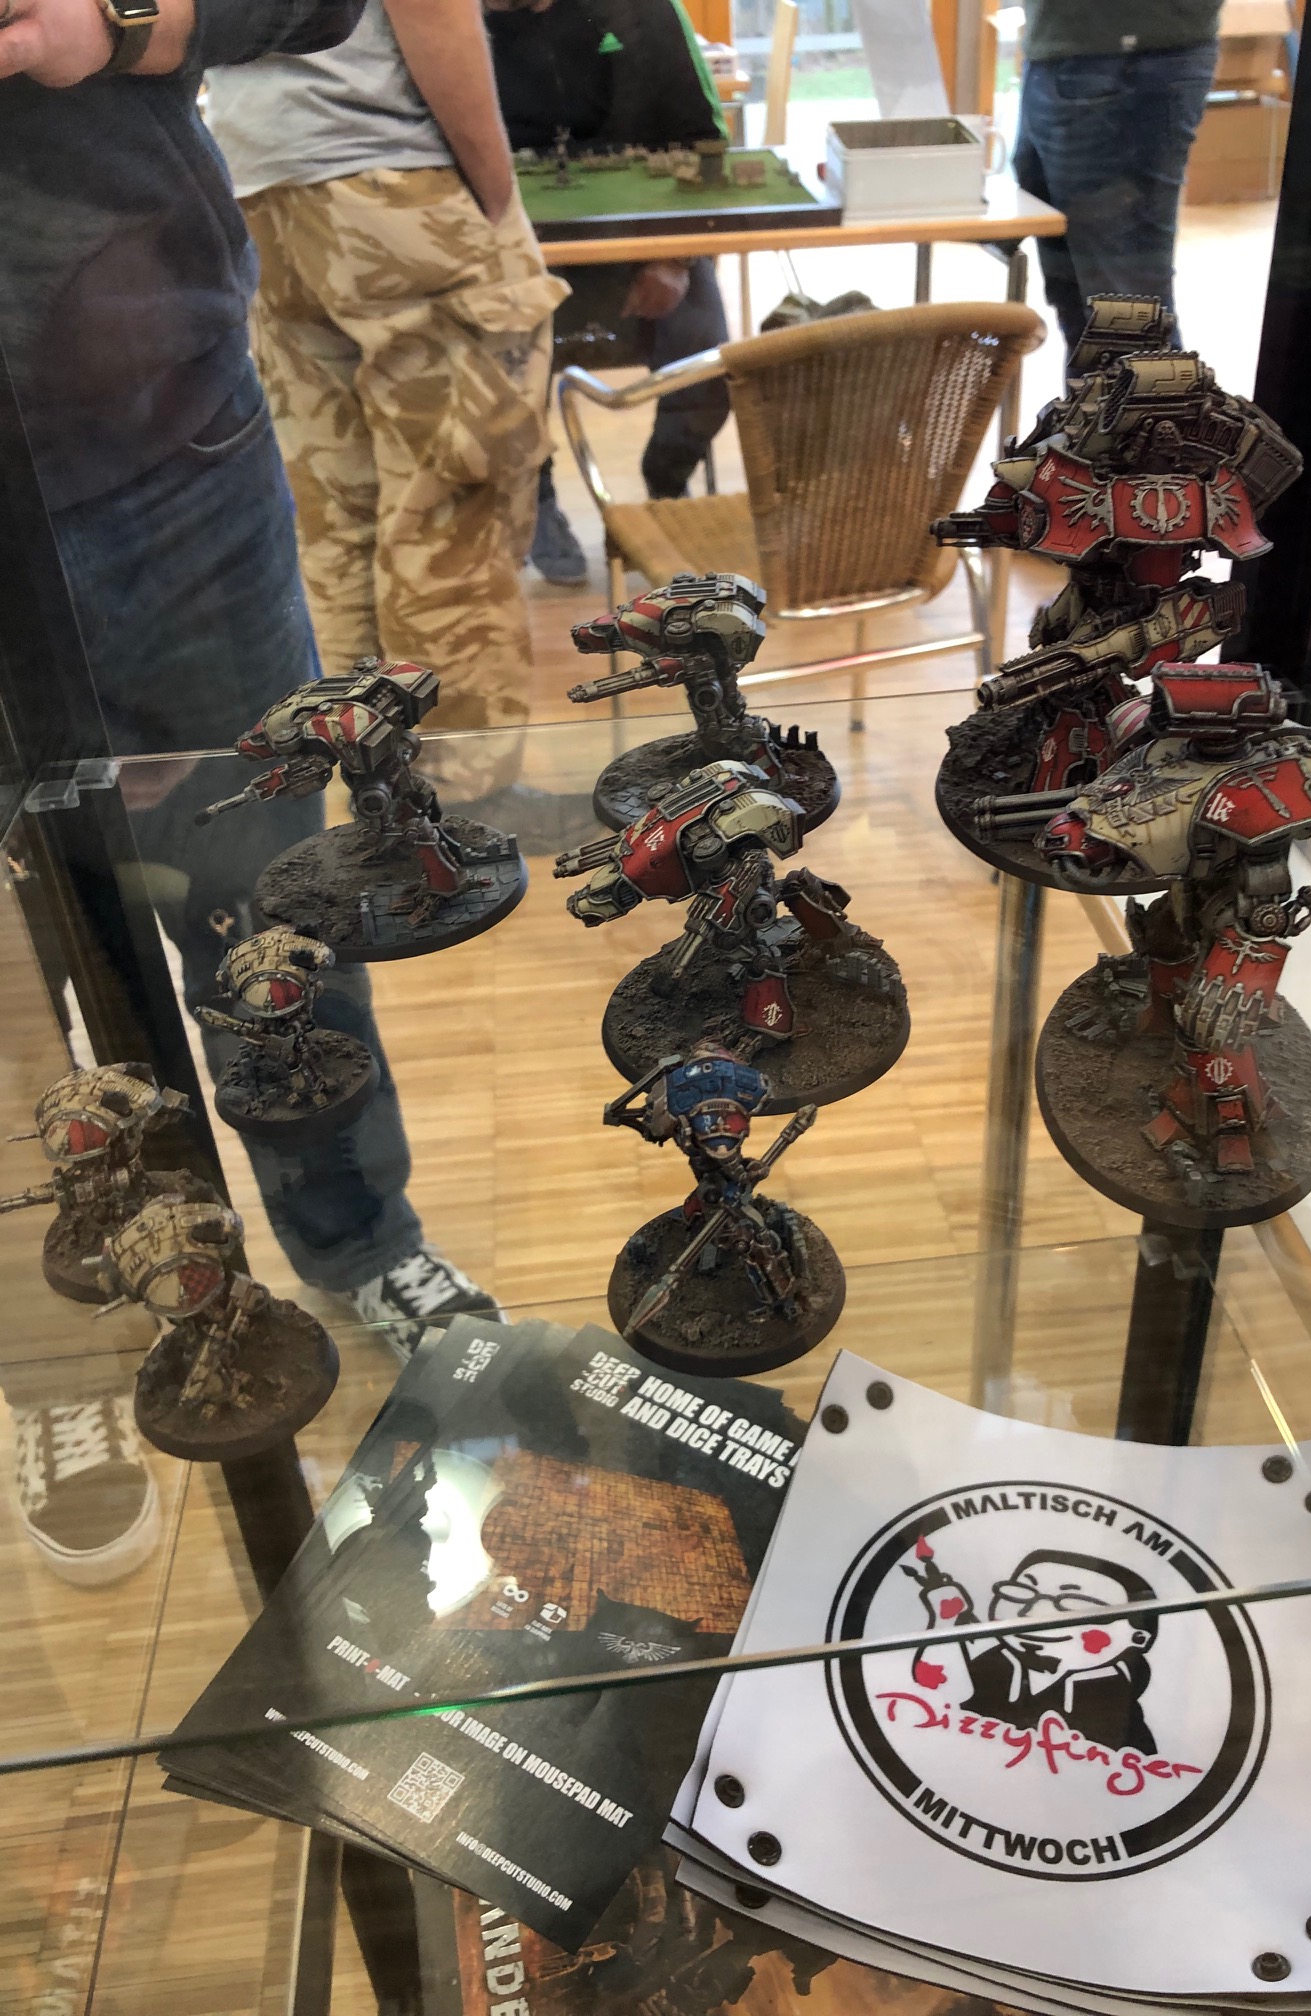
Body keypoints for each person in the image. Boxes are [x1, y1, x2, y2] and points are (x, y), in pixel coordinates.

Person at [0, 0, 503, 1586]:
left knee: (267, 899)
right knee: (17, 983)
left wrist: (119, 20)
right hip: (141, 399)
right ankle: (57, 1355)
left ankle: (361, 1240)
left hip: (160, 441)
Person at [204, 0, 567, 741]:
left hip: (260, 178)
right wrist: (496, 196)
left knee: (339, 510)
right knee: (453, 509)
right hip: (392, 172)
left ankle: (373, 776)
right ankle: (463, 789)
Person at [484, 0, 733, 585]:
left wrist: (673, 257)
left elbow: (705, 139)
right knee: (490, 361)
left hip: (644, 245)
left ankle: (666, 486)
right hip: (511, 250)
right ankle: (535, 495)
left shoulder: (648, 9)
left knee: (707, 362)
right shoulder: (452, 19)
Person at [1012, 0, 1221, 351]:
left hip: (1121, 55)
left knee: (1126, 310)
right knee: (1084, 301)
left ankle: (1142, 388)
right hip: (1069, 49)